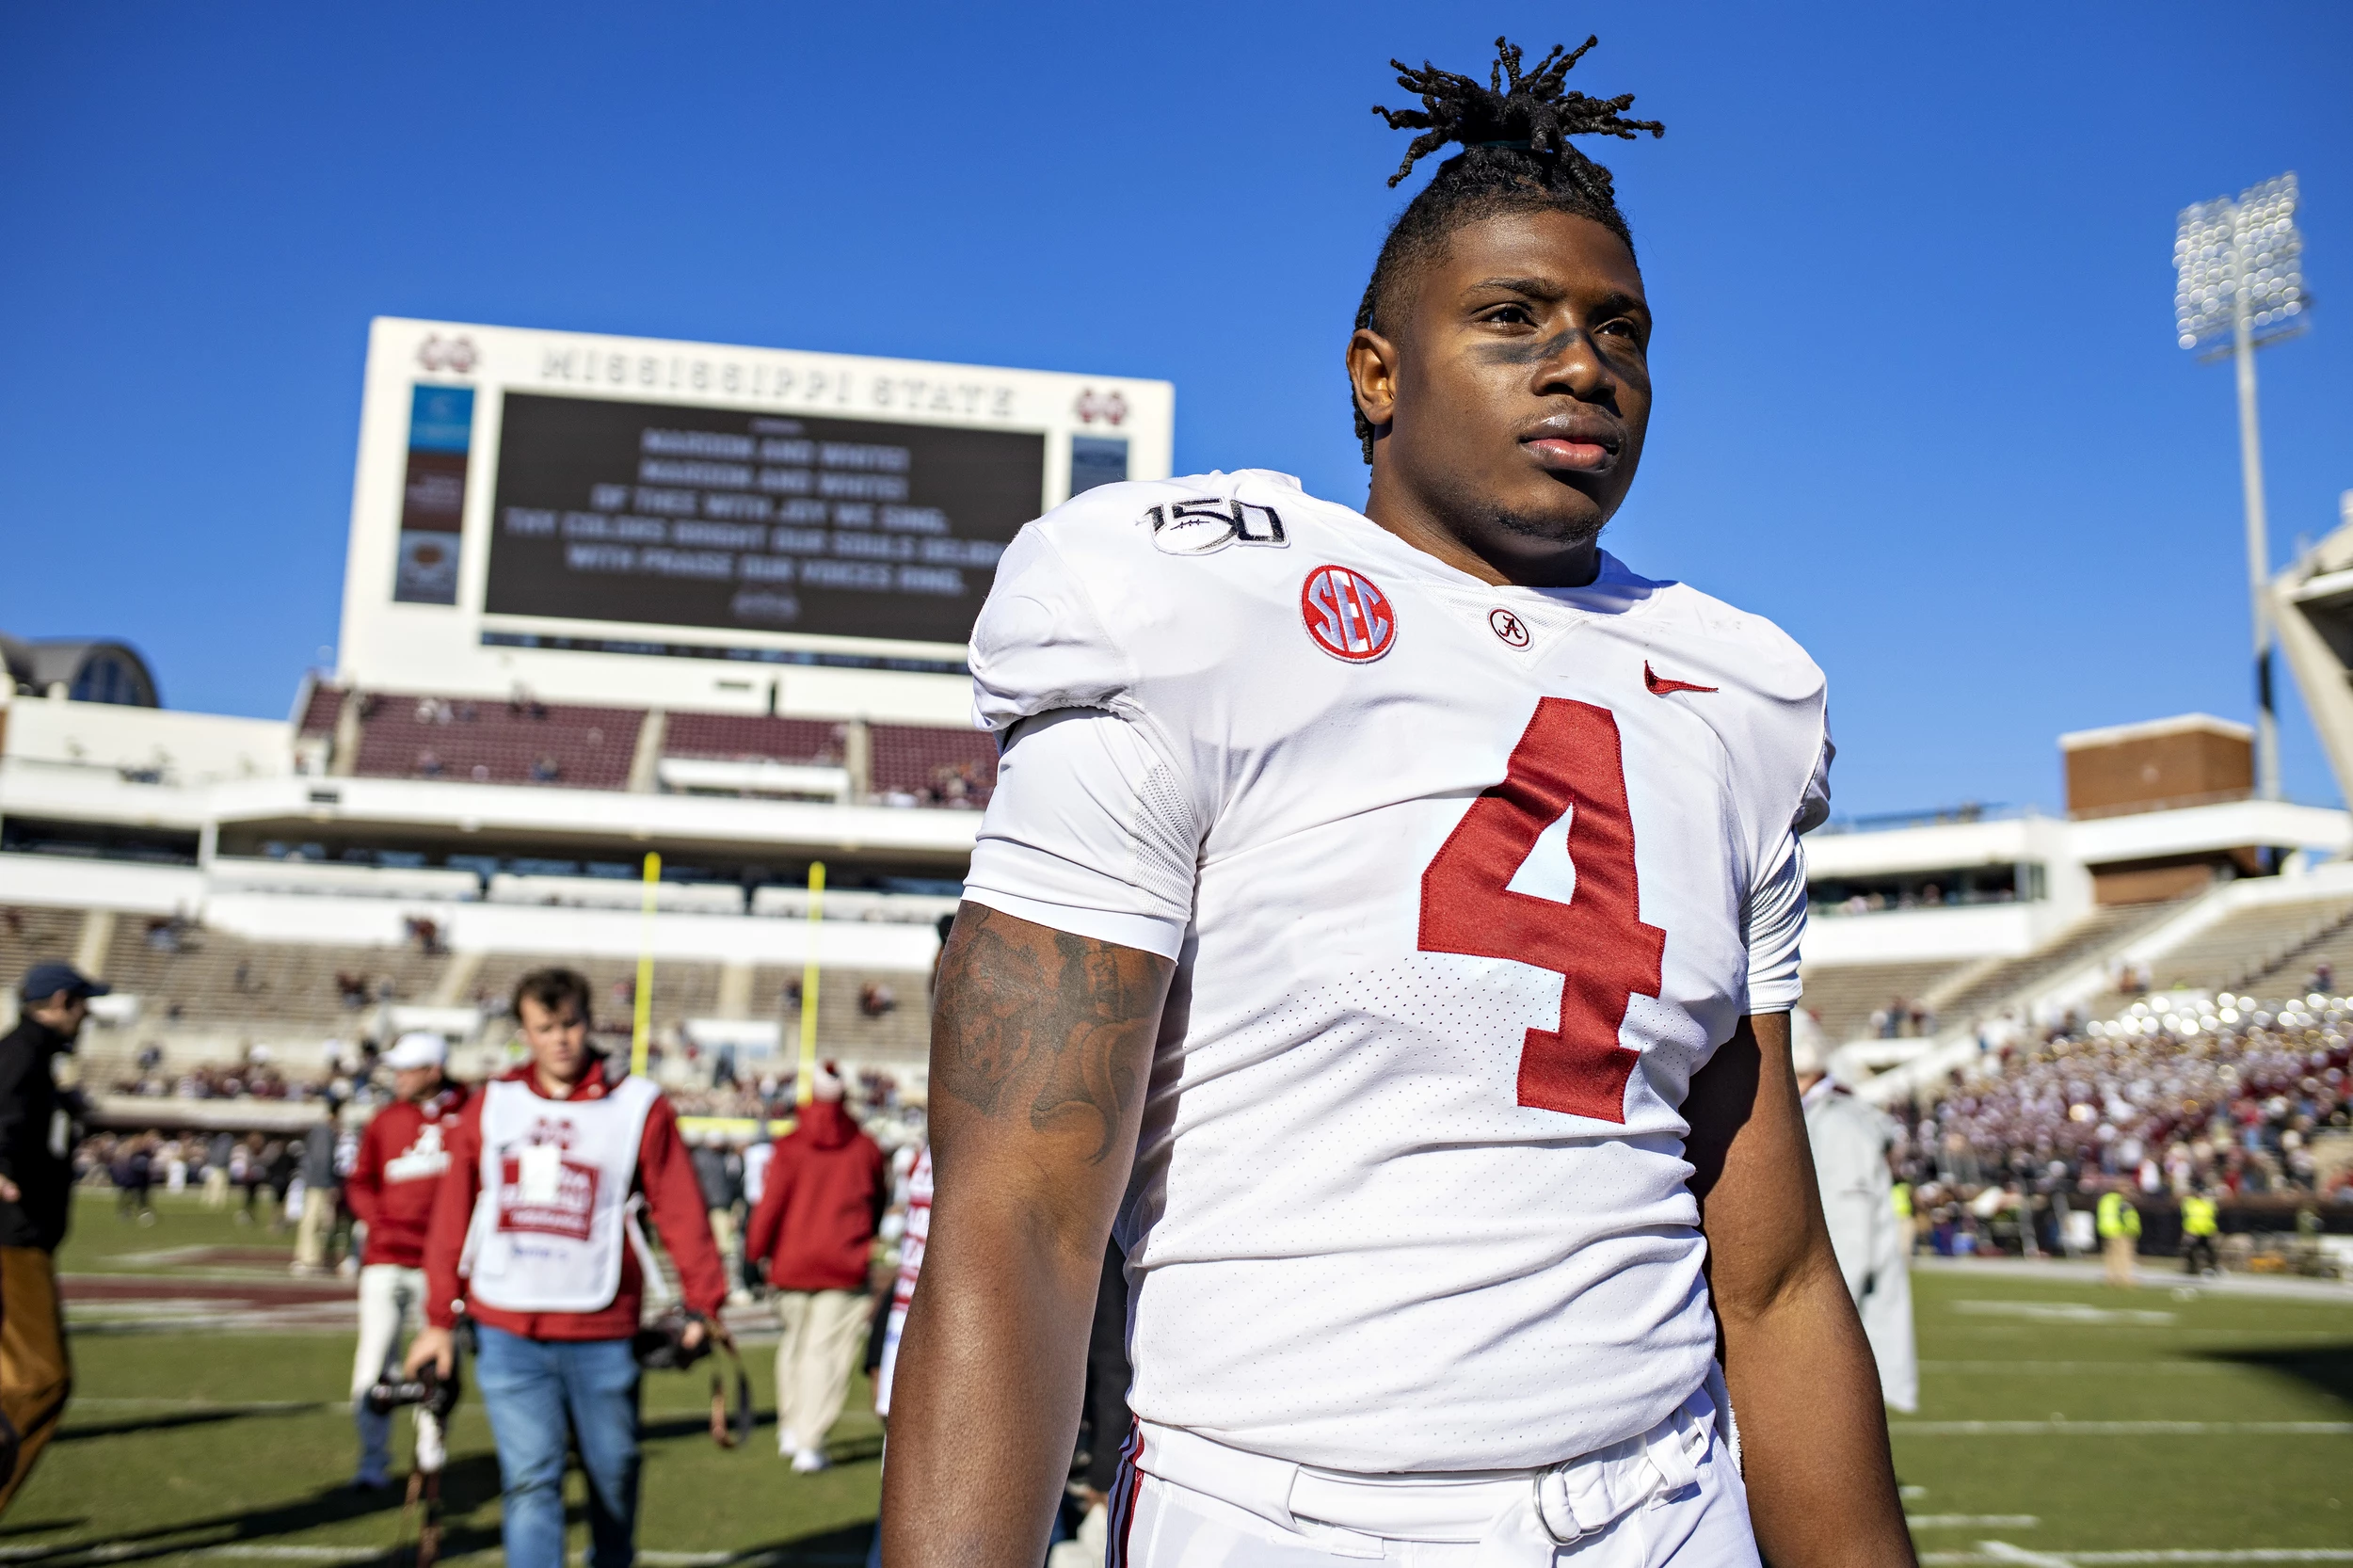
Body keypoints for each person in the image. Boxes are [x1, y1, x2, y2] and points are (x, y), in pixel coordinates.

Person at [884, 36, 1910, 1568]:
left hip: (1668, 1501)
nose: (1583, 365)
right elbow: (1017, 1220)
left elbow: (1770, 1278)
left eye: (1620, 330)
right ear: (1376, 373)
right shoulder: (1192, 602)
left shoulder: (1742, 693)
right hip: (1287, 1511)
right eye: (1514, 320)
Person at [408, 968, 727, 1568]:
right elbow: (453, 1214)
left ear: (590, 1022)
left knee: (614, 1474)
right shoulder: (492, 1104)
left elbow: (679, 1208)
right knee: (531, 1480)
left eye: (571, 1023)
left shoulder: (638, 1105)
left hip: (603, 1328)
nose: (560, 1039)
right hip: (507, 1327)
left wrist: (705, 1303)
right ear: (524, 1032)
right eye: (545, 1027)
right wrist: (437, 1319)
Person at [744, 1061, 888, 1473]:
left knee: (795, 1346)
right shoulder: (865, 1148)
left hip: (792, 1263)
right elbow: (877, 1201)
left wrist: (754, 1254)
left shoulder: (790, 1146)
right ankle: (808, 1436)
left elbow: (770, 1206)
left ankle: (792, 1428)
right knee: (824, 1353)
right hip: (842, 1264)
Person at [343, 1032, 470, 1492]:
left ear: (433, 1071)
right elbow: (360, 1181)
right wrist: (380, 1222)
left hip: (443, 1266)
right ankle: (371, 1462)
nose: (397, 1077)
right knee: (374, 1360)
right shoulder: (385, 1119)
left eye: (407, 1068)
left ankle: (431, 1456)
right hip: (387, 1259)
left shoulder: (470, 1115)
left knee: (437, 1367)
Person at [0, 962, 104, 1514]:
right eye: (84, 1003)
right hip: (13, 1239)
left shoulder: (35, 1056)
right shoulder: (22, 1054)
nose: (88, 1014)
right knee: (43, 1380)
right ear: (62, 1000)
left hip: (22, 1237)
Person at [1790, 1016, 1916, 1413]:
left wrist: (1818, 1327)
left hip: (1835, 1327)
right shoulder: (1820, 1117)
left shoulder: (1840, 1127)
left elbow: (1851, 1246)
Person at [292, 1098, 343, 1274]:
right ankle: (308, 1258)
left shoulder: (323, 1129)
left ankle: (312, 1256)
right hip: (318, 1182)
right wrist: (328, 1182)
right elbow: (322, 1158)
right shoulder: (324, 1130)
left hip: (316, 1180)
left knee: (317, 1221)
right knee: (314, 1220)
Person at [2097, 1185, 2141, 1288]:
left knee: (2110, 1255)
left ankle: (2111, 1277)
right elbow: (2126, 1217)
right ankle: (2124, 1277)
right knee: (2124, 1255)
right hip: (2120, 1230)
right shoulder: (2121, 1201)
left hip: (2106, 1229)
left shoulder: (2106, 1199)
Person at [2179, 1186, 2219, 1276]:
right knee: (2190, 1250)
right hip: (2193, 1231)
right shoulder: (2190, 1203)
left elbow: (2212, 1215)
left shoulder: (2208, 1204)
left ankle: (2212, 1267)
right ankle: (2192, 1268)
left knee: (2210, 1251)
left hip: (2206, 1232)